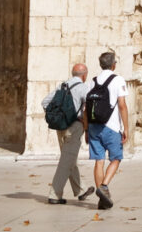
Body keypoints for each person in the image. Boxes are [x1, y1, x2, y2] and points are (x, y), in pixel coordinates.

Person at [43, 57, 94, 204]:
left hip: (61, 127)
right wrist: (87, 126)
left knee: (69, 158)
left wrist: (59, 117)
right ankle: (54, 194)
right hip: (75, 126)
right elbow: (89, 108)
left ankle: (81, 190)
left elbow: (45, 102)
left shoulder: (63, 86)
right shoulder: (84, 88)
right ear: (84, 75)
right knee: (66, 161)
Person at [85, 49, 131, 209]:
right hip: (111, 126)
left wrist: (86, 130)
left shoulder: (93, 81)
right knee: (116, 158)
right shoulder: (118, 80)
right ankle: (104, 186)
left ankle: (101, 200)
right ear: (113, 65)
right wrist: (126, 128)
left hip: (93, 126)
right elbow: (122, 105)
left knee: (99, 161)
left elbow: (86, 108)